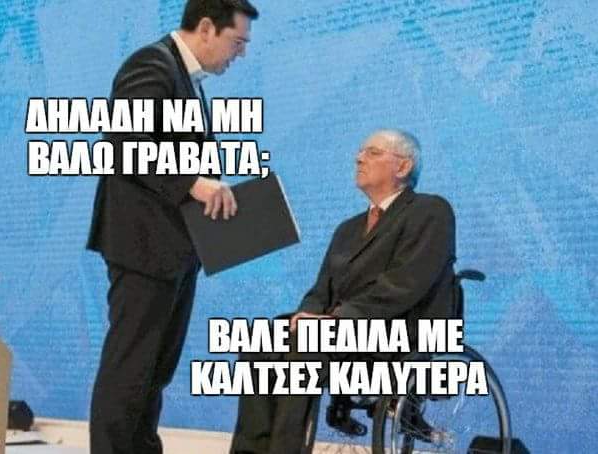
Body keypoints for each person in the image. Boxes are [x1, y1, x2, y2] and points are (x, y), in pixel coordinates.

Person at [86, 1, 259, 453]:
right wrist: (193, 183)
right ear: (206, 27)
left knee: (154, 370)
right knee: (131, 368)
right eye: (237, 42)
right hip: (143, 245)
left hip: (175, 249)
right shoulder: (152, 64)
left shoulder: (188, 81)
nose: (241, 53)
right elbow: (124, 142)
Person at [229, 129, 457, 454]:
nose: (359, 158)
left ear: (404, 166)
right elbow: (321, 289)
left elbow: (404, 284)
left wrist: (338, 319)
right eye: (361, 151)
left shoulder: (430, 211)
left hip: (396, 334)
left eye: (373, 152)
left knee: (305, 346)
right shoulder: (348, 229)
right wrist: (307, 314)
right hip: (341, 333)